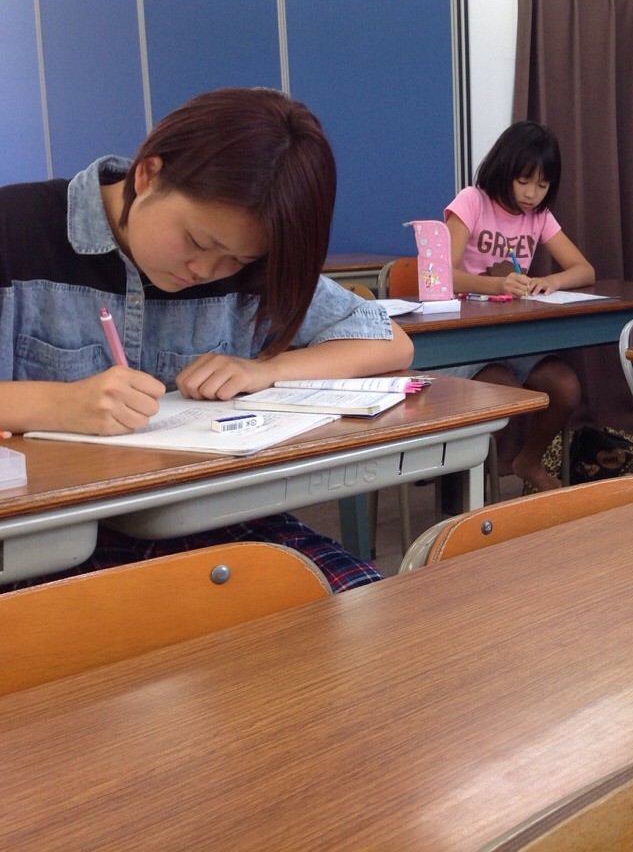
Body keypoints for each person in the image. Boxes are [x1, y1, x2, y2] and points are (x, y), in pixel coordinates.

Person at [0, 87, 414, 591]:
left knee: (365, 608)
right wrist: (57, 404)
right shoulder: (15, 230)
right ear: (147, 175)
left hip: (213, 521)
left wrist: (265, 369)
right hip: (45, 542)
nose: (206, 270)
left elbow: (389, 340)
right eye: (197, 241)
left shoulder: (250, 266)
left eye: (237, 259)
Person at [441, 121, 595, 492]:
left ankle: (528, 460)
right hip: (465, 337)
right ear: (504, 168)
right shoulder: (472, 201)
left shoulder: (538, 216)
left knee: (565, 387)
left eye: (542, 185)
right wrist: (496, 285)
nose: (531, 194)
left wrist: (551, 281)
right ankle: (463, 491)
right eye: (524, 181)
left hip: (512, 337)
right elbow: (442, 274)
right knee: (504, 394)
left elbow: (584, 270)